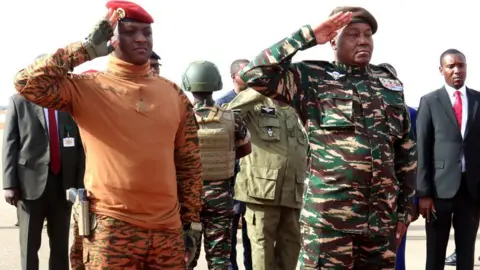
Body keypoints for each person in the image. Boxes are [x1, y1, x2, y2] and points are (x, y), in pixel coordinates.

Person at [12, 1, 202, 269]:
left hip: (167, 231)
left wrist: (191, 223)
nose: (140, 38)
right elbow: (27, 83)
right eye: (129, 31)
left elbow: (189, 164)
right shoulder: (87, 88)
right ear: (111, 38)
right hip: (111, 229)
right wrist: (85, 49)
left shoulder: (173, 94)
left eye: (146, 33)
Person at [239, 7, 417, 269]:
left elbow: (406, 151)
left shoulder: (388, 83)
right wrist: (308, 35)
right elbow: (253, 74)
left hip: (380, 221)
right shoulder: (310, 78)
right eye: (353, 34)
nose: (363, 40)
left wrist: (404, 210)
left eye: (368, 34)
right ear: (333, 39)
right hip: (329, 221)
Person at [225, 87, 308, 269]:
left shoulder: (295, 108)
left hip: (293, 192)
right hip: (262, 191)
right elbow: (228, 113)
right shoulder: (255, 106)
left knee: (291, 249)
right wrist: (260, 88)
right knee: (262, 251)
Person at [3, 89, 85, 269]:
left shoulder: (68, 103)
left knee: (60, 244)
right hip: (29, 185)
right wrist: (9, 184)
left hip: (64, 184)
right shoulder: (19, 102)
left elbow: (79, 146)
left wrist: (80, 183)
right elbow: (10, 144)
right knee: (29, 244)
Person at [182, 60, 251, 270]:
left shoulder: (179, 119)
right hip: (221, 198)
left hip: (189, 199)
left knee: (185, 258)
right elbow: (245, 149)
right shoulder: (233, 118)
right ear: (217, 84)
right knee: (220, 260)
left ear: (188, 85)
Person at [417, 49, 480, 270]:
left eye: (460, 65)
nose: (456, 70)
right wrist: (423, 193)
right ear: (441, 70)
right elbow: (422, 149)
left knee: (466, 252)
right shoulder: (430, 101)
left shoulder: (478, 100)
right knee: (435, 252)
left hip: (471, 190)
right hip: (438, 190)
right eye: (451, 66)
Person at [379, 63, 418, 270]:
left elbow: (416, 159)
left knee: (398, 247)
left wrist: (415, 199)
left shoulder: (411, 114)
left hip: (399, 196)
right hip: (369, 198)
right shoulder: (366, 113)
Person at [216, 59, 253, 270]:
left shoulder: (260, 102)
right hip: (230, 182)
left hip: (254, 181)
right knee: (228, 239)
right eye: (245, 73)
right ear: (233, 77)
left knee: (252, 238)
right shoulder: (224, 105)